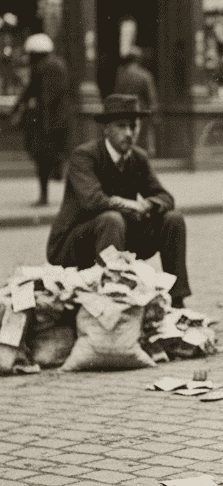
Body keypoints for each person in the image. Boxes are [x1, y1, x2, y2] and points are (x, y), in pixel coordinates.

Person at [46, 94, 191, 307]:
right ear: (106, 129)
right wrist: (130, 204)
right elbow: (92, 201)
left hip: (118, 237)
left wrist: (149, 204)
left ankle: (177, 301)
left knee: (173, 220)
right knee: (111, 219)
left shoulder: (137, 158)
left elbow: (165, 197)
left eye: (134, 126)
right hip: (73, 243)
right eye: (121, 126)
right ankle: (112, 301)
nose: (129, 133)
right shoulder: (84, 157)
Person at [11, 32, 73, 207]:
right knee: (52, 158)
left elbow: (44, 97)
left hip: (49, 122)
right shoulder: (56, 64)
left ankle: (45, 195)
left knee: (44, 159)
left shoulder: (44, 67)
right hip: (59, 121)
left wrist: (44, 124)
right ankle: (53, 188)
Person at [113, 46, 158, 153]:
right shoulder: (145, 75)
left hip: (125, 112)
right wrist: (154, 114)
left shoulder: (121, 76)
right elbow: (152, 98)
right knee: (142, 141)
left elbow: (116, 95)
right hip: (141, 112)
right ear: (139, 59)